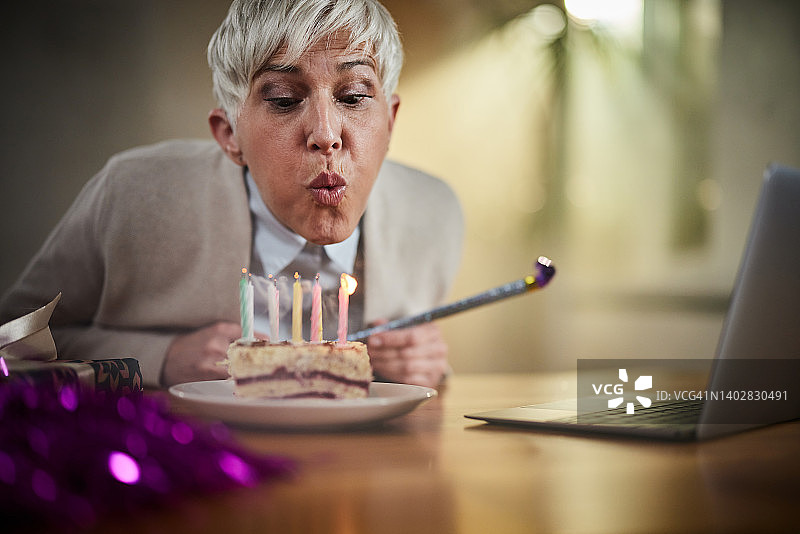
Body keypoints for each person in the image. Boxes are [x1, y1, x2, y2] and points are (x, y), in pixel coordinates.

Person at [0, 0, 462, 389]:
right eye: (283, 99)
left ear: (390, 121)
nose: (325, 134)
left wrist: (428, 364)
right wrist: (161, 358)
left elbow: (422, 390)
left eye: (355, 96)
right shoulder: (135, 197)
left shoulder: (433, 213)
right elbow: (10, 342)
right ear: (229, 135)